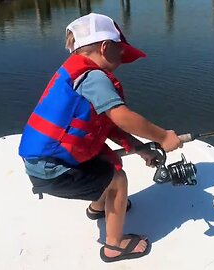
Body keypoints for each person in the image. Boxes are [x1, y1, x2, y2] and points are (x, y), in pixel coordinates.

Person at [18, 12, 183, 263]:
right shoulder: (94, 77)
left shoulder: (75, 74)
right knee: (117, 179)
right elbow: (122, 117)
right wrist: (163, 137)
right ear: (106, 47)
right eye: (121, 53)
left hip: (45, 161)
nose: (122, 59)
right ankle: (114, 246)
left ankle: (97, 208)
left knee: (105, 164)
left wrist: (140, 148)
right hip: (53, 169)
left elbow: (108, 127)